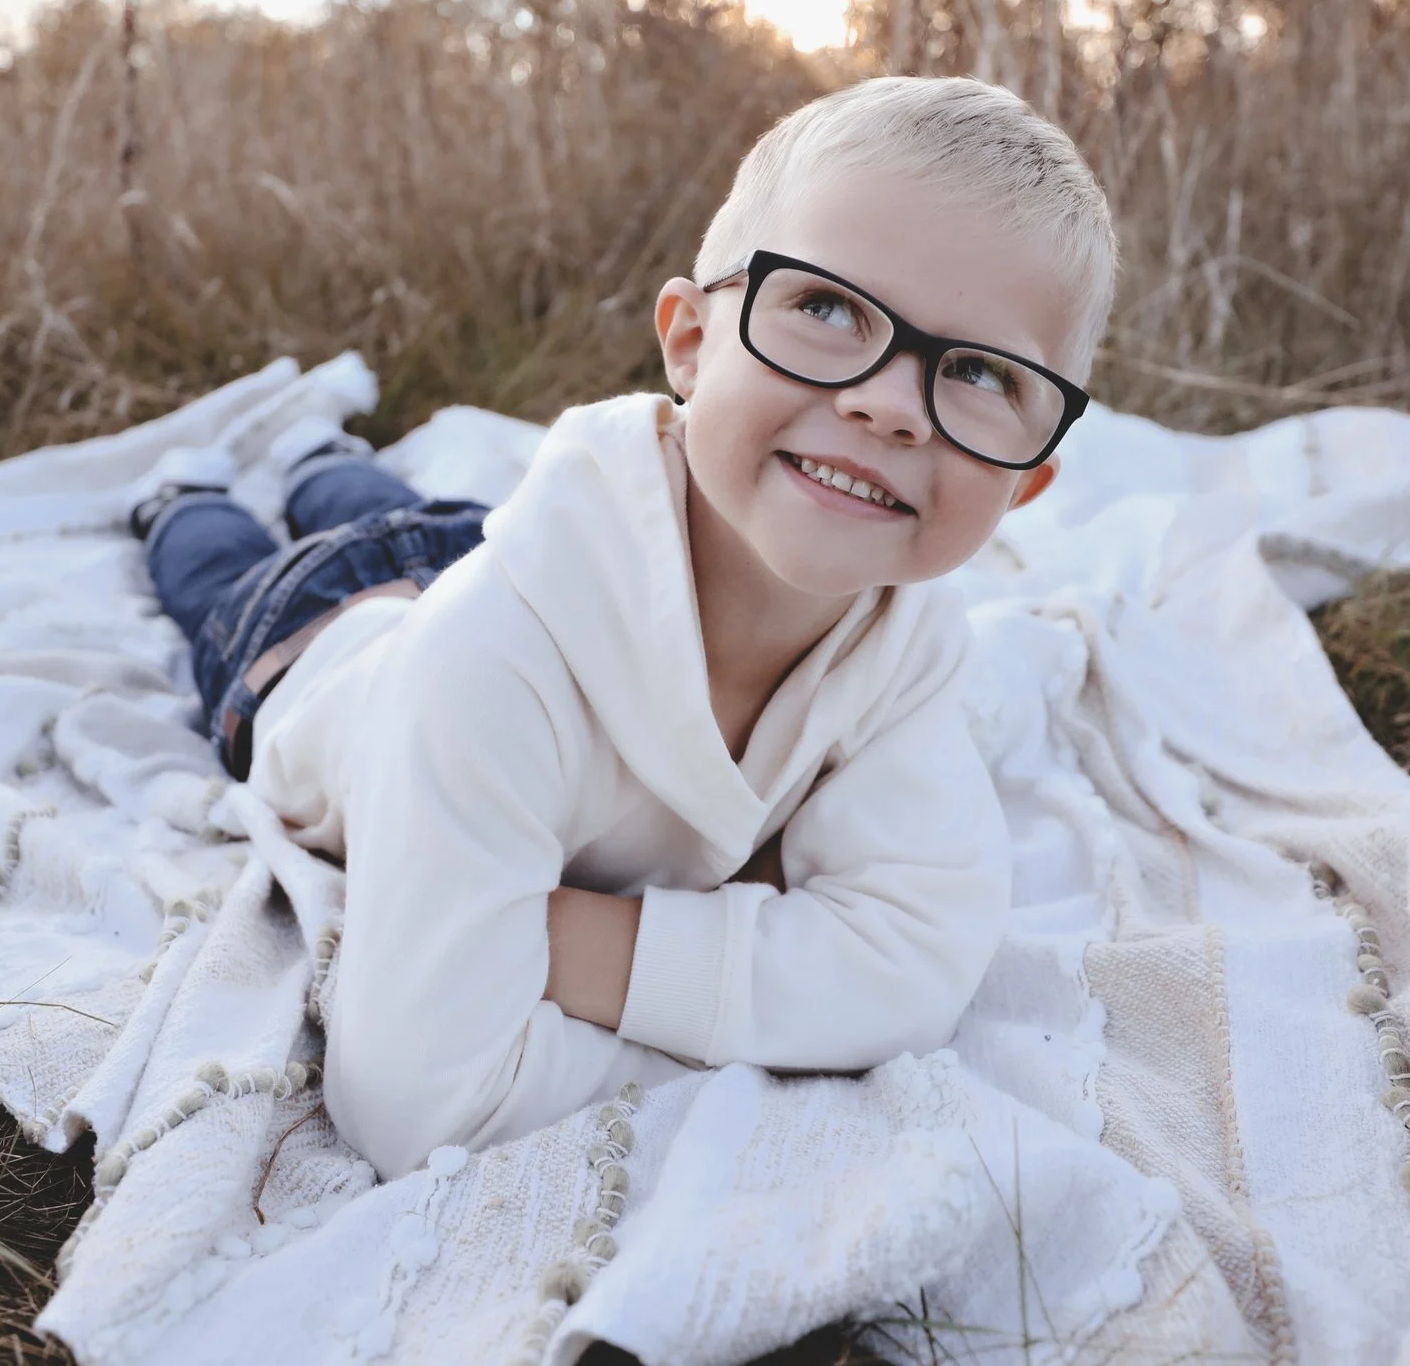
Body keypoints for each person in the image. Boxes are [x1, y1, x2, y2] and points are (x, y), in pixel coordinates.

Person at [134, 75, 1117, 1180]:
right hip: (319, 641)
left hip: (522, 547)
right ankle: (183, 493)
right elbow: (421, 1100)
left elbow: (912, 958)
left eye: (980, 371)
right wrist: (769, 1023)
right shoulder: (488, 659)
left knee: (379, 503)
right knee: (223, 570)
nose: (888, 402)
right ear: (691, 340)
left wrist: (576, 942)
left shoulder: (904, 646)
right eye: (829, 308)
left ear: (1027, 480)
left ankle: (325, 458)